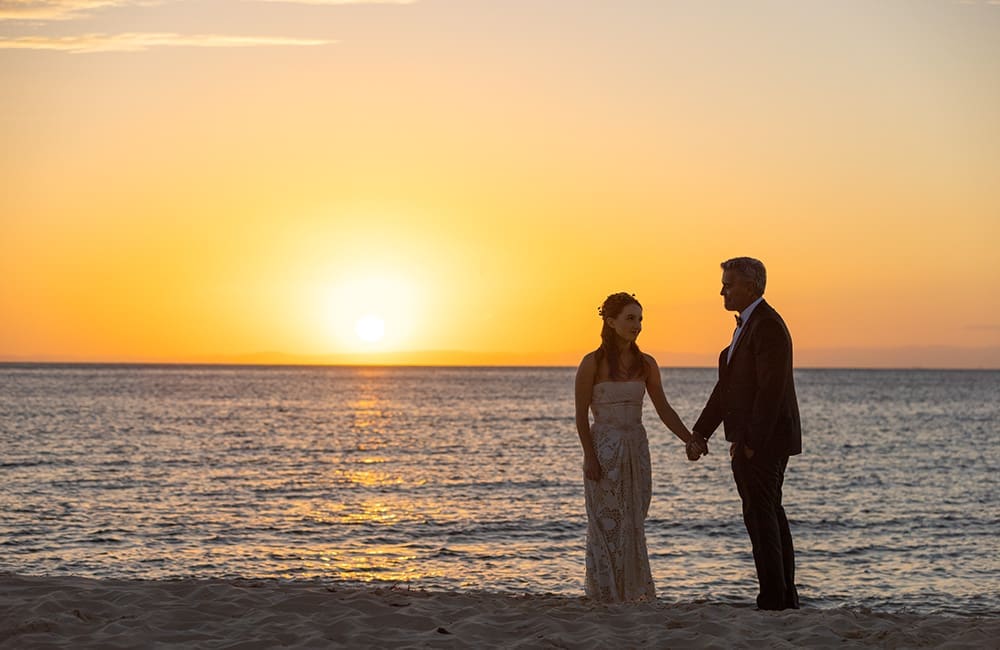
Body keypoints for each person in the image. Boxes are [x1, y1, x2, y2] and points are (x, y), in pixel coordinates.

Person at [687, 257, 802, 610]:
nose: (722, 289)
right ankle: (782, 597)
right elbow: (727, 391)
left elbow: (771, 390)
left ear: (750, 286)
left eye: (728, 283)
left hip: (763, 444)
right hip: (754, 441)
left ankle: (774, 600)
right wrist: (700, 433)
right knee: (767, 514)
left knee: (761, 516)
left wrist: (750, 443)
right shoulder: (746, 327)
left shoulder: (767, 325)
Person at [574, 292, 696, 602]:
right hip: (604, 450)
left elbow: (664, 409)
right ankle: (605, 592)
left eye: (640, 319)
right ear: (610, 322)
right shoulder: (592, 363)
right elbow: (579, 415)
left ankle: (631, 590)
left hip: (636, 449)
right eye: (630, 318)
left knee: (633, 520)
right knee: (605, 523)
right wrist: (590, 456)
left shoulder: (646, 363)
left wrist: (690, 438)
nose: (637, 325)